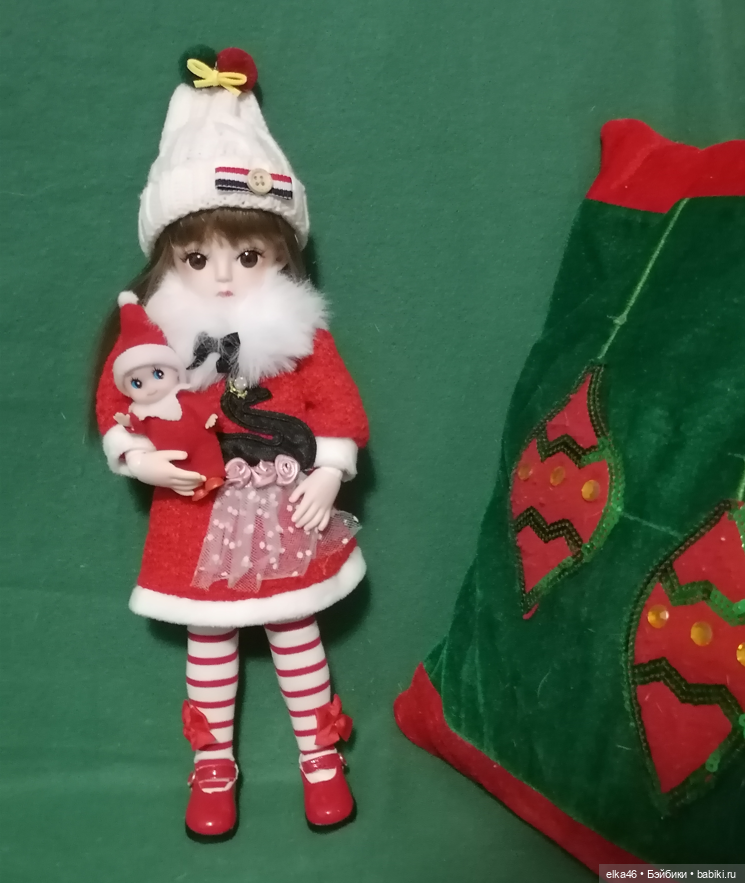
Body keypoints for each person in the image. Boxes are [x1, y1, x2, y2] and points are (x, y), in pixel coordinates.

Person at [95, 46, 368, 838]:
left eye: (246, 255)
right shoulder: (153, 338)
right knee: (208, 639)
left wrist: (330, 468)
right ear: (167, 256)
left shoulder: (301, 334)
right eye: (196, 256)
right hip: (194, 516)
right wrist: (137, 456)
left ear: (281, 250)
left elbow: (340, 408)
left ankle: (320, 752)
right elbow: (117, 406)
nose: (222, 276)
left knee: (296, 628)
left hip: (285, 513)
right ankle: (213, 760)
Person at [112, 292, 225, 502]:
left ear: (175, 372)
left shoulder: (182, 396)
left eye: (158, 374)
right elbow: (140, 428)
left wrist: (208, 417)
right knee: (184, 470)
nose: (151, 388)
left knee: (207, 453)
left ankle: (213, 476)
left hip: (199, 439)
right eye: (137, 384)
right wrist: (129, 425)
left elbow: (198, 406)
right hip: (170, 452)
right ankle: (199, 486)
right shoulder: (140, 411)